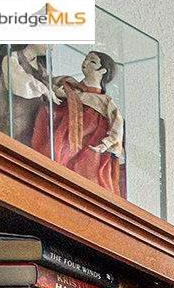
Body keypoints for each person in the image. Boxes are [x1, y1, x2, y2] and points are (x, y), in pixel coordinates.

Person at [31, 50, 124, 195]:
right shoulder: (68, 85)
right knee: (54, 158)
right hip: (63, 134)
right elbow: (46, 86)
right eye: (86, 59)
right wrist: (58, 91)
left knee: (86, 175)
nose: (86, 63)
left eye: (92, 62)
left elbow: (117, 126)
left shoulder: (105, 102)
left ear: (103, 71)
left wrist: (105, 144)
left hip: (90, 144)